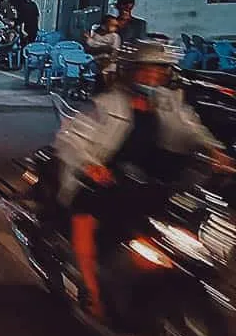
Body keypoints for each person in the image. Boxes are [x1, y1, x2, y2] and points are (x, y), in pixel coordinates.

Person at [55, 39, 230, 319]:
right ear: (131, 71)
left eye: (159, 71)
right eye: (146, 70)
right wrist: (91, 166)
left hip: (149, 182)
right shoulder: (108, 104)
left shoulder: (169, 103)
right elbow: (72, 139)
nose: (153, 77)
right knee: (85, 214)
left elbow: (191, 127)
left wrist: (215, 151)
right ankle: (90, 289)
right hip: (105, 179)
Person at [84, 15, 122, 88]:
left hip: (108, 61)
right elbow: (89, 46)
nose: (115, 28)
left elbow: (113, 50)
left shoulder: (115, 36)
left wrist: (96, 44)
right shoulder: (94, 34)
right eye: (113, 25)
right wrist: (103, 47)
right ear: (104, 25)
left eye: (116, 26)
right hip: (94, 59)